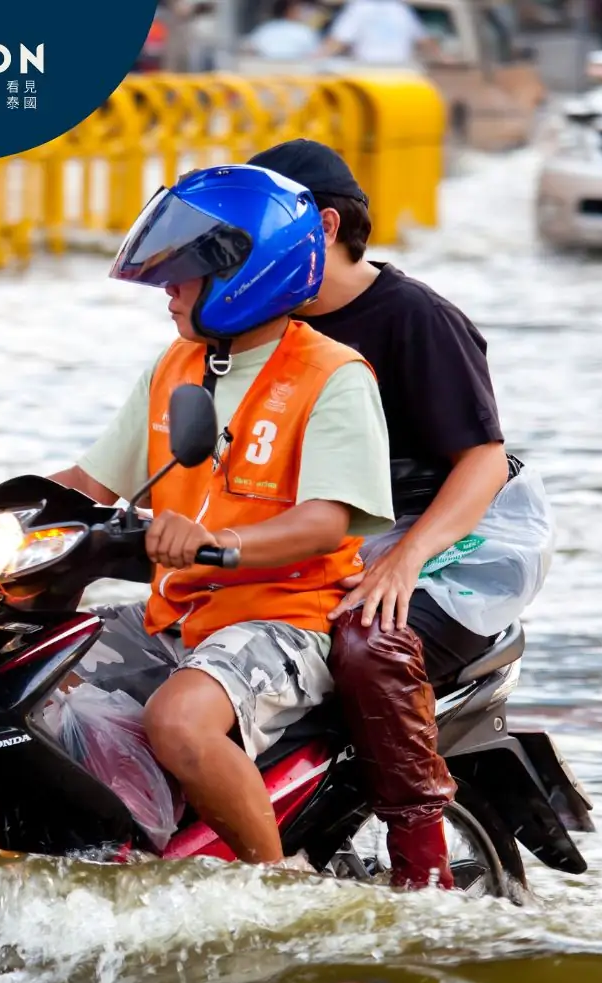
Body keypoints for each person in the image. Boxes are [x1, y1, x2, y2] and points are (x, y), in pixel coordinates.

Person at [47, 165, 395, 865]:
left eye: (183, 275)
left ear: (247, 276)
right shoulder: (176, 363)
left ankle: (271, 893)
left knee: (177, 722)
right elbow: (90, 480)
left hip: (284, 620)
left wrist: (217, 543)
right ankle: (123, 849)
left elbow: (328, 520)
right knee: (26, 679)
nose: (168, 292)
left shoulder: (334, 375)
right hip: (172, 612)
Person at [246, 138, 554, 888]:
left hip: (455, 541)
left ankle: (422, 870)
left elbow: (482, 460)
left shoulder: (416, 318)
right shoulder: (259, 323)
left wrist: (407, 555)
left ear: (319, 226)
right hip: (332, 532)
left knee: (367, 638)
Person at [321, 0, 437, 65]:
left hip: (370, 70)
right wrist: (443, 59)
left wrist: (313, 60)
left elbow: (337, 42)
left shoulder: (359, 7)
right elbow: (423, 40)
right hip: (401, 70)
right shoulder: (400, 8)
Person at [245, 0, 325, 61]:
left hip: (295, 75)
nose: (305, 12)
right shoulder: (305, 31)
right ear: (288, 11)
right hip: (269, 75)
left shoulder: (266, 27)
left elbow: (249, 48)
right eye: (300, 9)